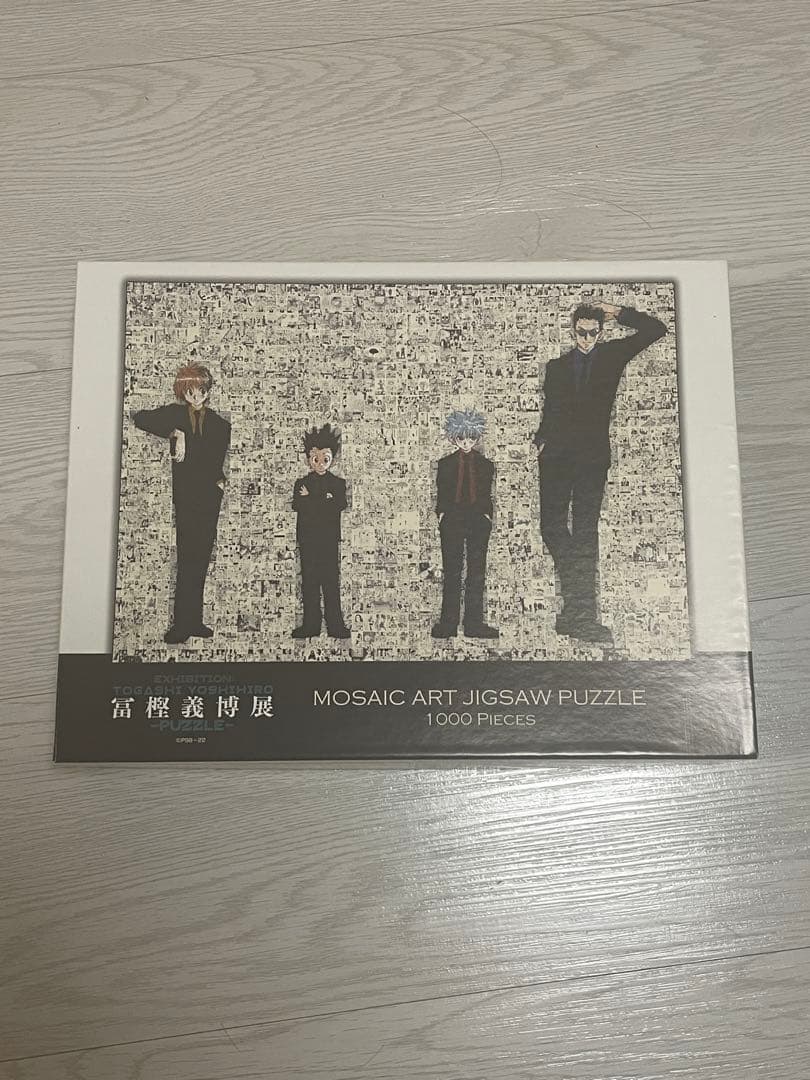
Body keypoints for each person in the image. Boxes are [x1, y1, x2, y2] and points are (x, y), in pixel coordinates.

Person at [534, 301, 667, 644]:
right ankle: (575, 610)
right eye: (581, 332)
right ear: (573, 330)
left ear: (601, 331)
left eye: (593, 332)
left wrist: (620, 312)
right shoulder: (557, 367)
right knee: (550, 528)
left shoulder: (611, 356)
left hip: (591, 460)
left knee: (584, 534)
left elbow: (656, 330)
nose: (587, 338)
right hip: (556, 458)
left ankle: (582, 617)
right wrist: (540, 440)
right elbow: (552, 410)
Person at [132, 362, 230, 644]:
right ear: (182, 392)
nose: (196, 396)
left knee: (201, 558)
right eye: (190, 392)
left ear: (208, 390)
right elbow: (140, 417)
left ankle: (195, 621)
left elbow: (214, 458)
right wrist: (175, 433)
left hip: (209, 496)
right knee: (187, 558)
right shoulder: (174, 415)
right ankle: (182, 625)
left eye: (201, 391)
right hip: (186, 497)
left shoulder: (220, 424)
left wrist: (218, 484)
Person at [433, 408, 499, 639]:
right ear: (454, 437)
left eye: (471, 438)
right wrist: (442, 514)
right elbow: (442, 492)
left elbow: (486, 493)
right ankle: (448, 623)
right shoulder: (445, 464)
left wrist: (486, 516)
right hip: (452, 518)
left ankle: (473, 624)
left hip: (477, 518)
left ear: (477, 437)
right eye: (461, 438)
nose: (466, 442)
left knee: (476, 572)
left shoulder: (486, 465)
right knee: (452, 571)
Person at [292, 423, 350, 639]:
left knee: (330, 581)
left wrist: (311, 499)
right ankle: (311, 625)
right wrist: (324, 500)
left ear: (332, 458)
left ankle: (335, 626)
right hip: (307, 539)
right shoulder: (301, 482)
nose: (320, 463)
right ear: (309, 458)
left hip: (328, 539)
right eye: (315, 459)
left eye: (325, 459)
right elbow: (298, 505)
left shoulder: (338, 483)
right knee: (309, 582)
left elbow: (339, 505)